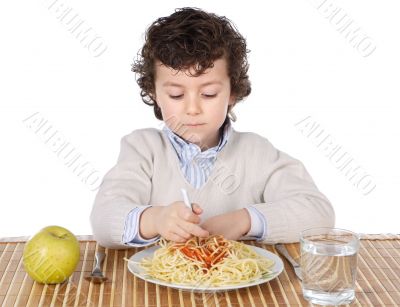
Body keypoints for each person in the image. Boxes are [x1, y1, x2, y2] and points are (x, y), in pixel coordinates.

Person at [90, 7, 335, 249]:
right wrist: (156, 219)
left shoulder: (256, 152)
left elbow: (318, 212)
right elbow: (103, 220)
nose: (193, 109)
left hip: (239, 287)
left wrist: (243, 221)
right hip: (155, 287)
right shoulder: (142, 149)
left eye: (209, 93)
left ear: (233, 92)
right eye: (176, 95)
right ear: (154, 94)